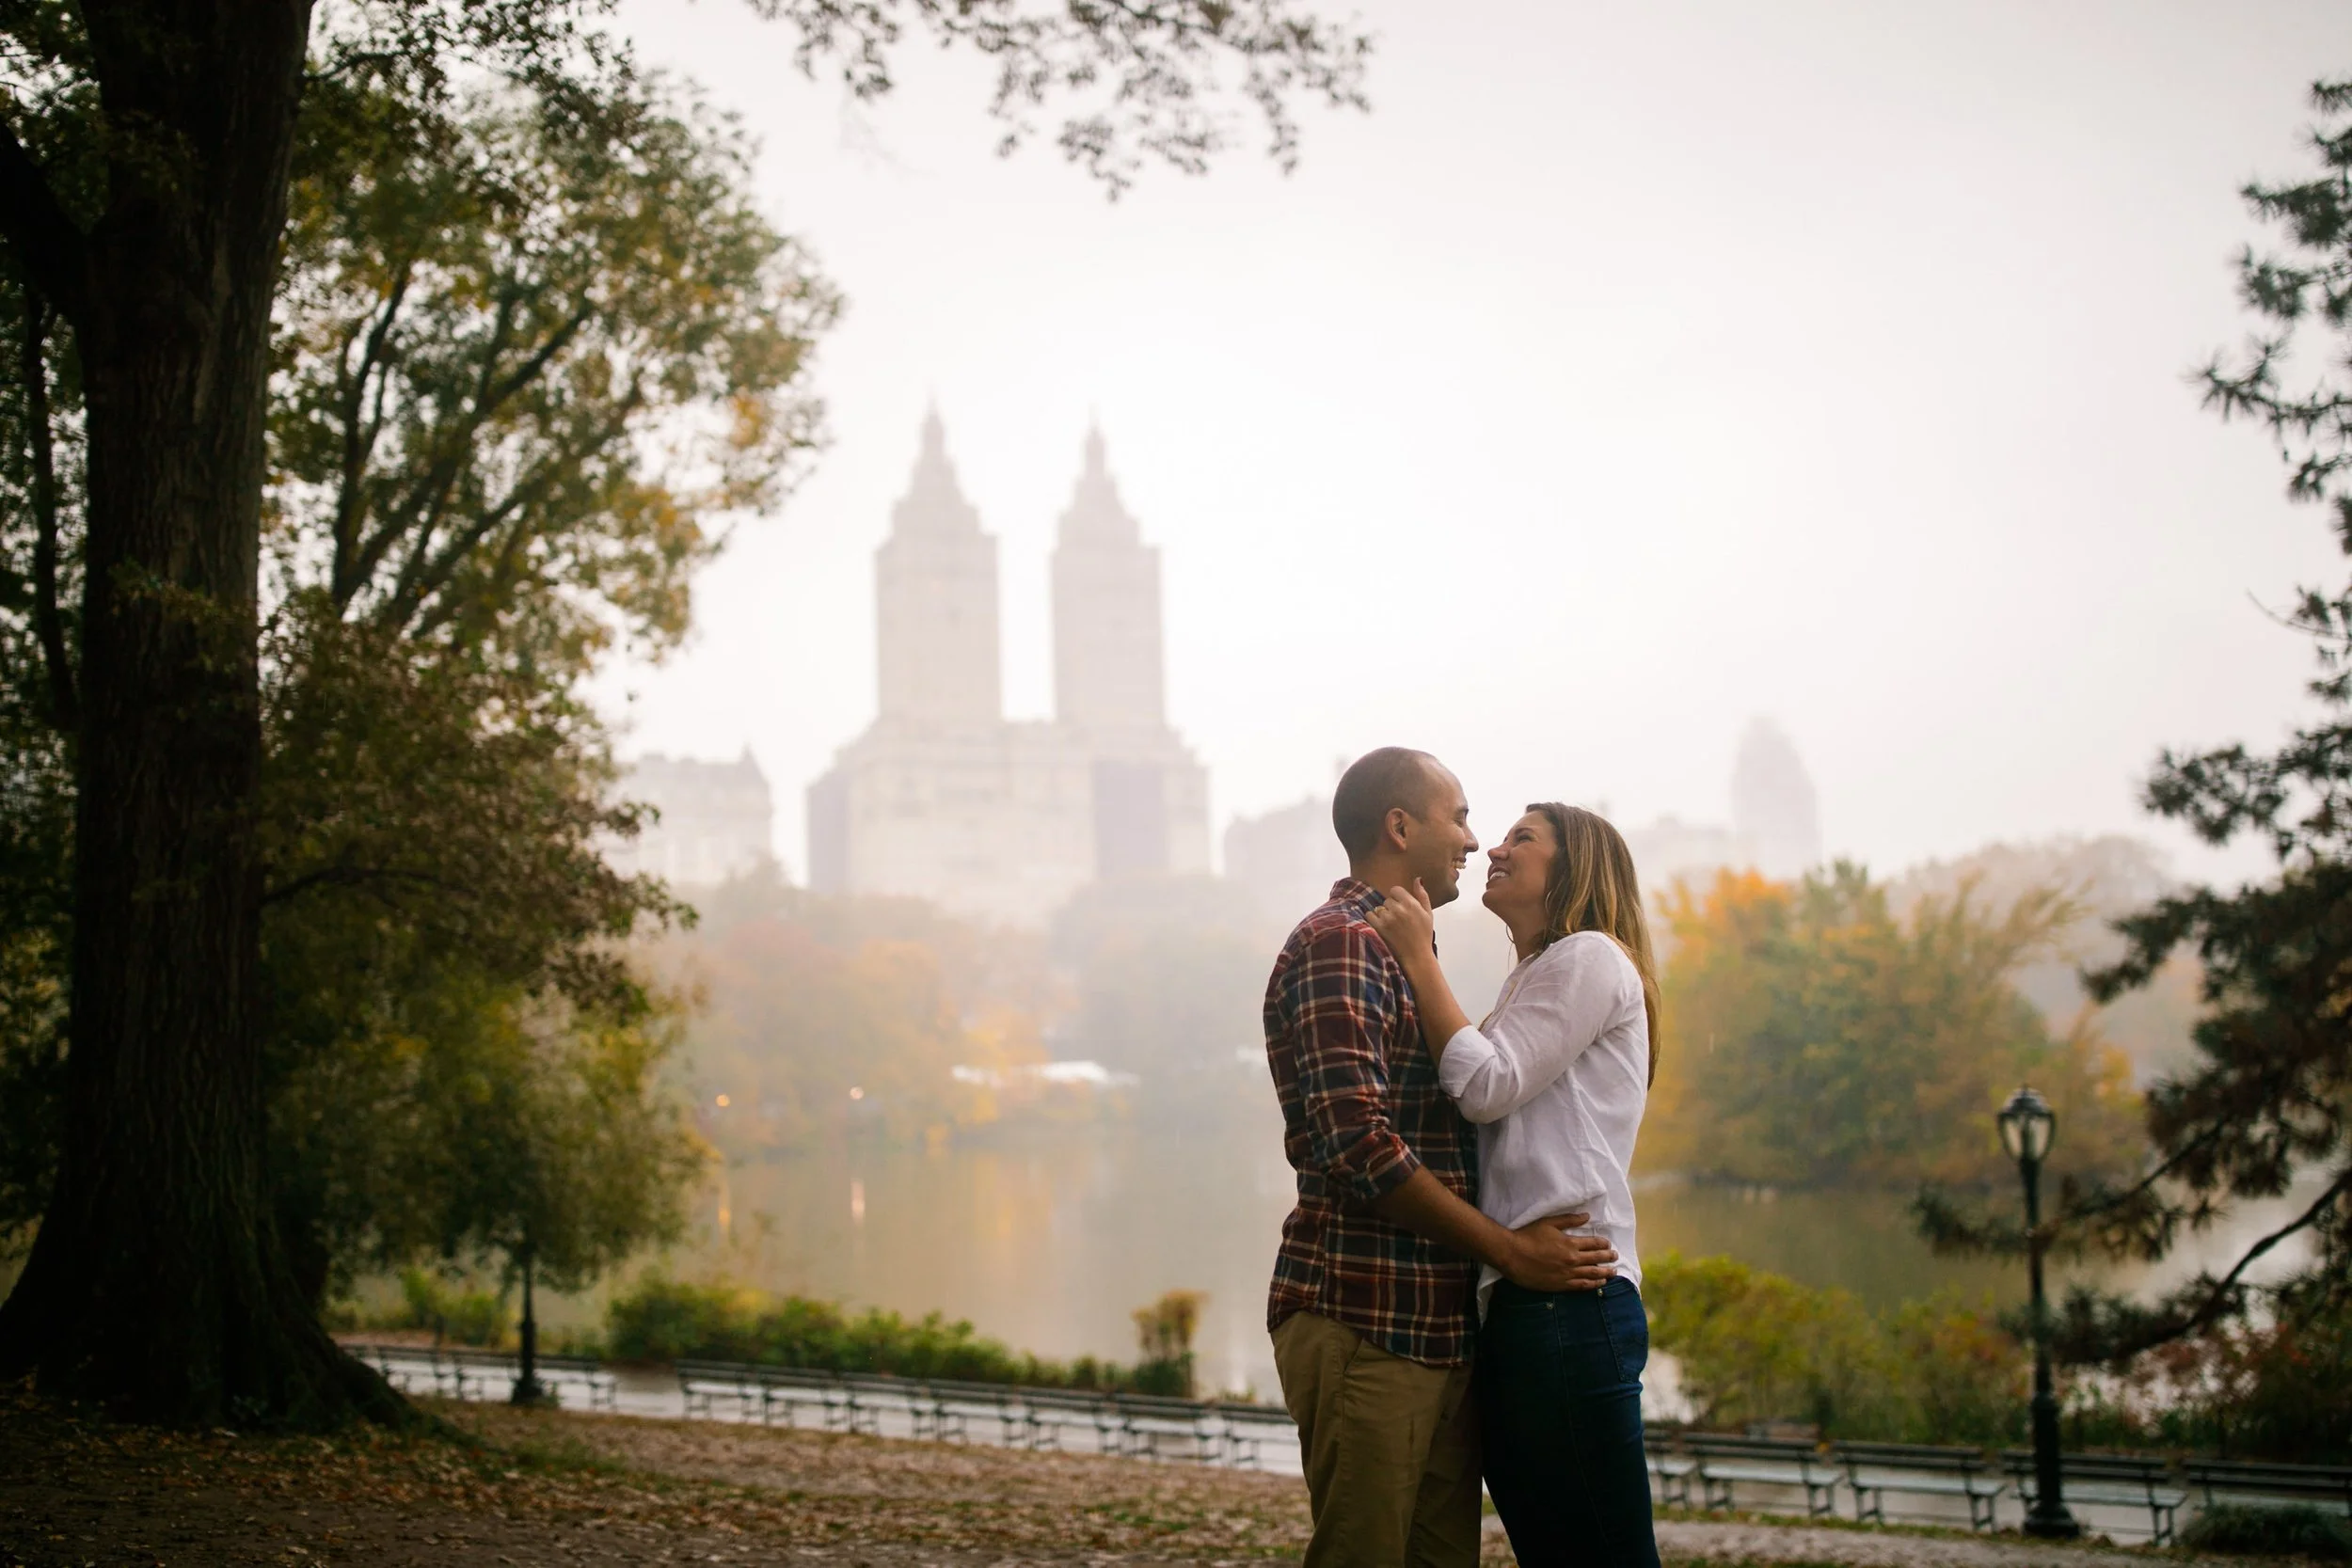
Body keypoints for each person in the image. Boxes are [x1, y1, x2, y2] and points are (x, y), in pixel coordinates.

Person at [1264, 749, 1618, 1568]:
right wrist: (1510, 1251)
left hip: (1430, 1327)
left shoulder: (1400, 949)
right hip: (1364, 1316)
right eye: (1457, 816)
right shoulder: (1341, 944)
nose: (1472, 839)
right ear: (1399, 826)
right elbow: (1361, 1148)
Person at [1367, 801, 1664, 1568]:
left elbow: (1487, 1085)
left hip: (1570, 1299)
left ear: (1574, 868)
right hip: (1526, 1302)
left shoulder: (1591, 957)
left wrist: (1419, 960)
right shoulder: (1535, 975)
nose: (1494, 847)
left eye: (1522, 838)